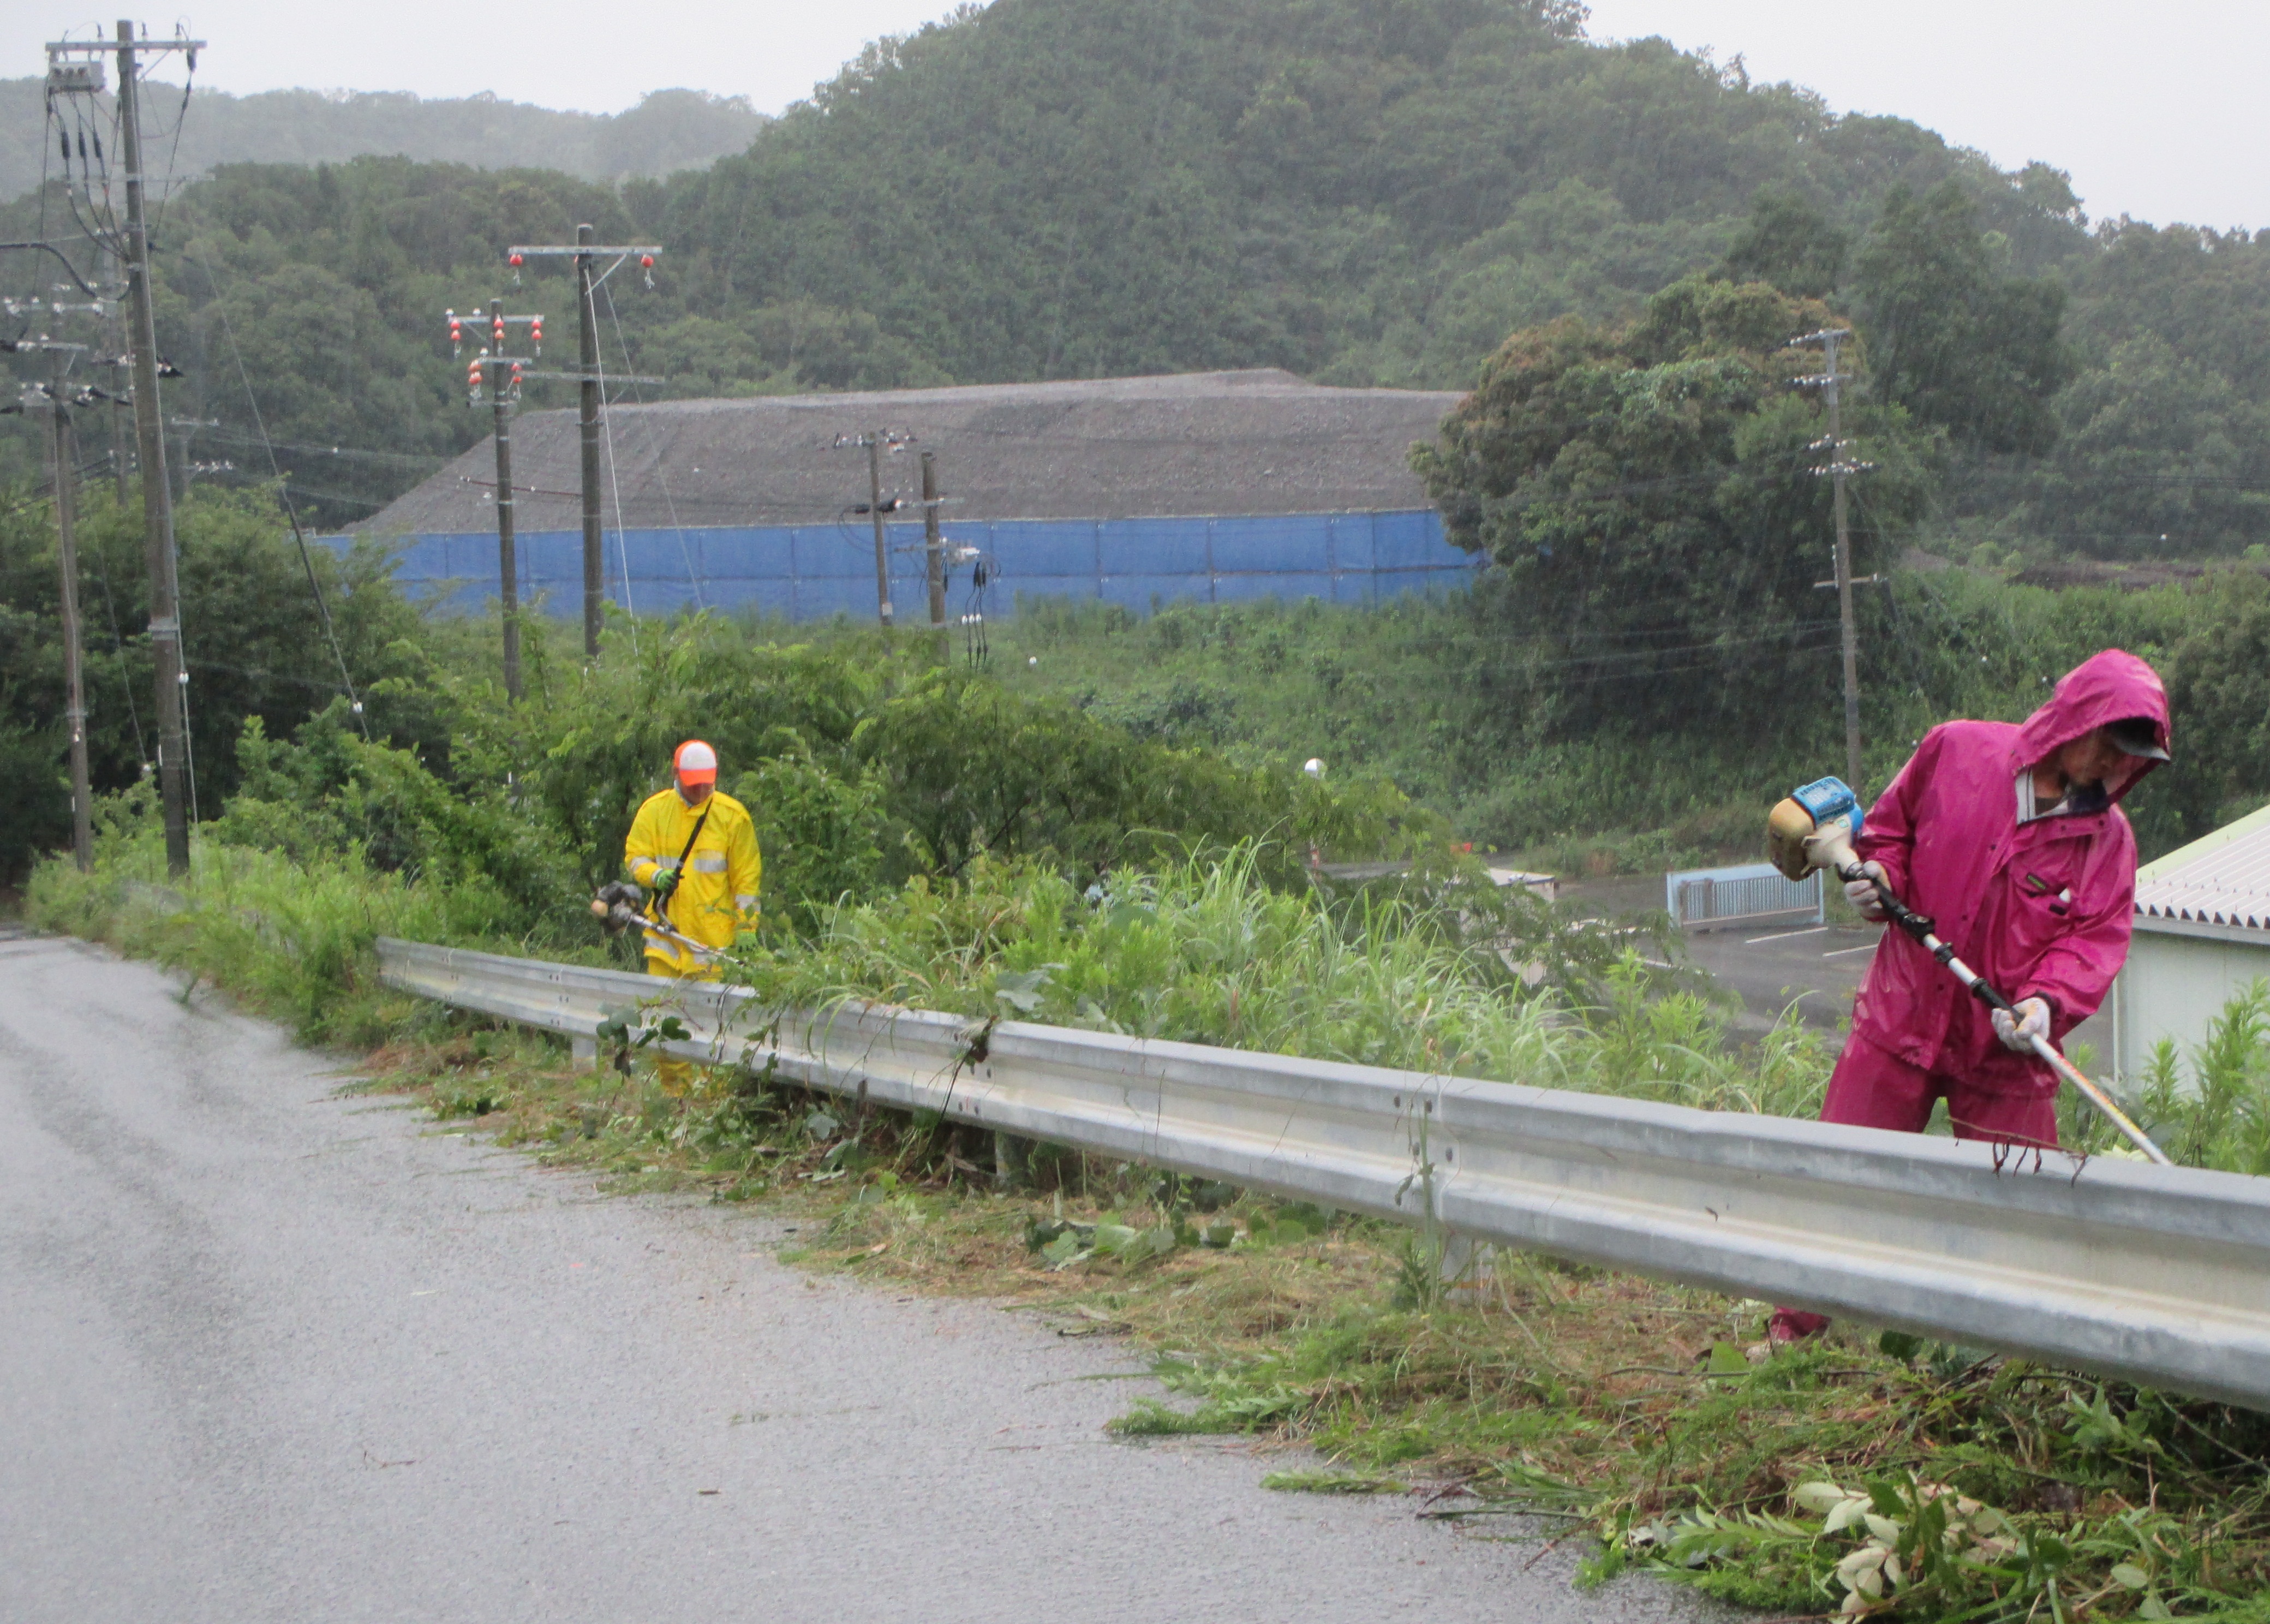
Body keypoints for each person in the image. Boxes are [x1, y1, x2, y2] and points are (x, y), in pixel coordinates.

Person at [1771, 648, 2171, 1344]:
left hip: (2006, 1050)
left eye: (2128, 759)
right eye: (2109, 746)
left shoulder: (2107, 844)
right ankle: (1791, 1336)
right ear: (2074, 721)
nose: (2114, 767)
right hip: (1901, 1017)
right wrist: (1878, 880)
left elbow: (2092, 942)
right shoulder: (1955, 750)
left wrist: (2046, 1002)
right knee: (1841, 1187)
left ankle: (2004, 1370)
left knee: (2023, 1225)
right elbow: (1889, 833)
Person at [622, 739, 762, 1090]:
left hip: (711, 944)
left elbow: (746, 881)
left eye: (707, 782)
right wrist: (655, 875)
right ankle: (677, 1102)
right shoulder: (654, 812)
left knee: (709, 1031)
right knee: (663, 1029)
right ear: (676, 775)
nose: (701, 789)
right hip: (666, 940)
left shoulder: (732, 817)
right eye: (693, 782)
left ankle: (709, 1106)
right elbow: (636, 856)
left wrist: (747, 928)